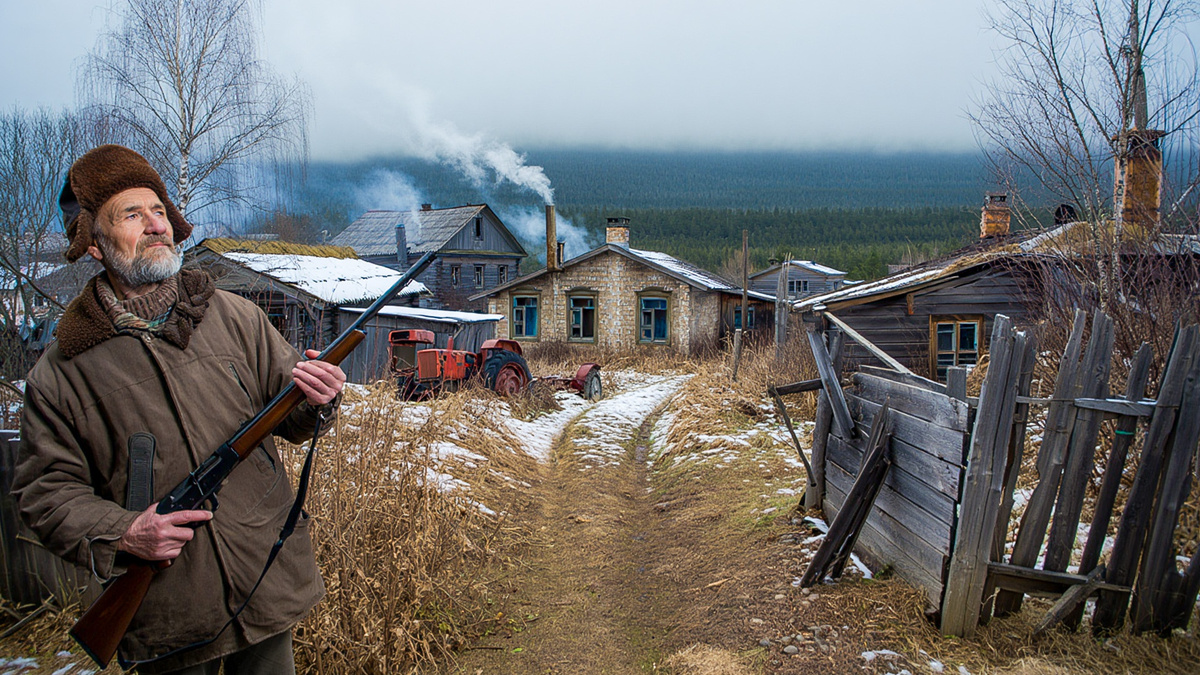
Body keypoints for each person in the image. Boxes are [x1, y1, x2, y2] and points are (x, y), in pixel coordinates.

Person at [13, 144, 344, 674]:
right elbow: (44, 493)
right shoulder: (61, 371)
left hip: (263, 581)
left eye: (160, 211)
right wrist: (123, 532)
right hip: (167, 612)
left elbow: (296, 417)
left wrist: (318, 397)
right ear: (94, 244)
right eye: (131, 214)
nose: (155, 225)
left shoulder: (236, 316)